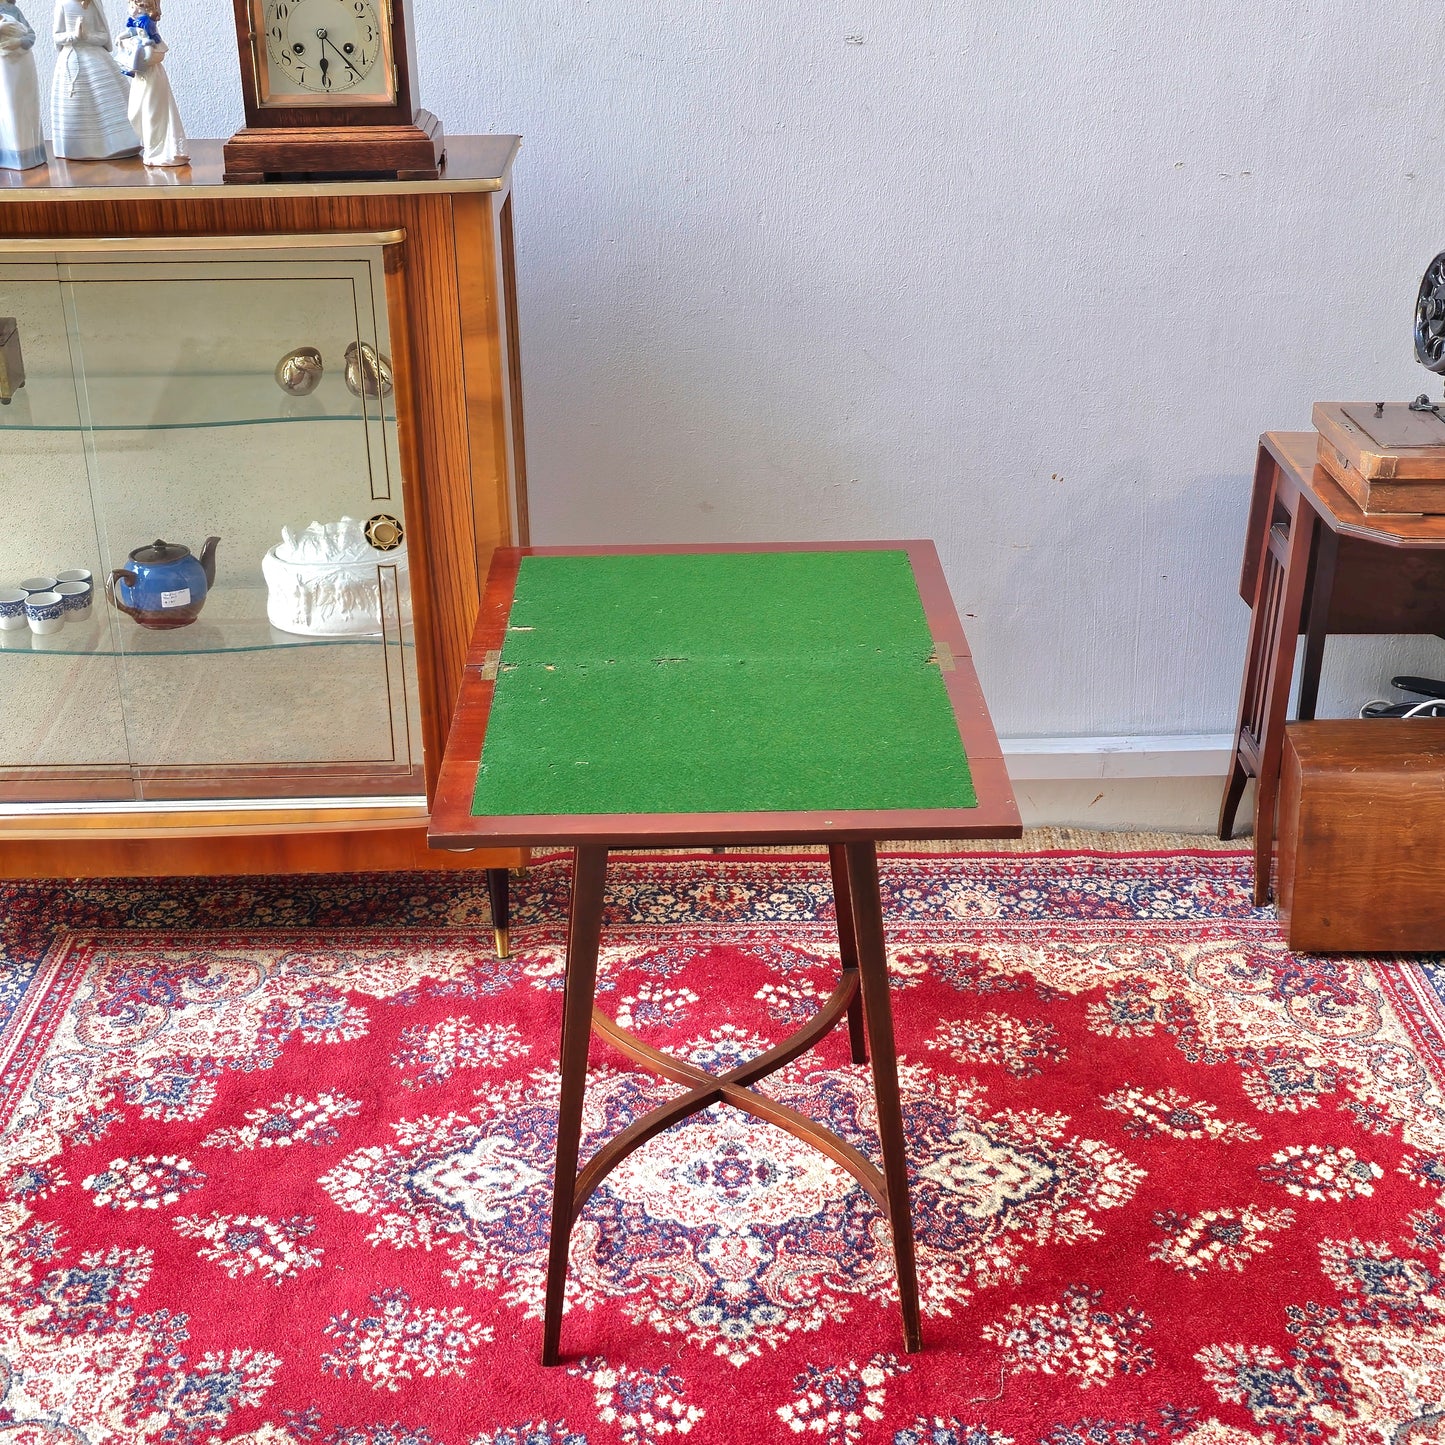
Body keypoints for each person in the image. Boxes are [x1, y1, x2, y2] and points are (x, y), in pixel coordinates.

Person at [51, 0, 139, 160]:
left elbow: (104, 35)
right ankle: (81, 147)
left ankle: (120, 143)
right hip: (73, 58)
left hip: (97, 57)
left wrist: (89, 37)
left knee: (108, 97)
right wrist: (74, 36)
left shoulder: (95, 4)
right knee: (77, 103)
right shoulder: (63, 4)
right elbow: (57, 36)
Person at [117, 0, 184, 167]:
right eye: (131, 6)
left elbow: (154, 52)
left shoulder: (148, 23)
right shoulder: (135, 22)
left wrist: (140, 47)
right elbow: (131, 32)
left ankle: (157, 150)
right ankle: (150, 146)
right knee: (134, 112)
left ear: (147, 8)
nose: (133, 10)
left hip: (151, 77)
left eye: (137, 7)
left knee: (151, 113)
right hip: (140, 79)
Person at [0, 1, 44, 169]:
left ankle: (28, 154)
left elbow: (31, 35)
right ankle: (9, 155)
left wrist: (18, 43)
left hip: (22, 62)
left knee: (25, 105)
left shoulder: (13, 10)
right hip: (3, 63)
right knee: (7, 106)